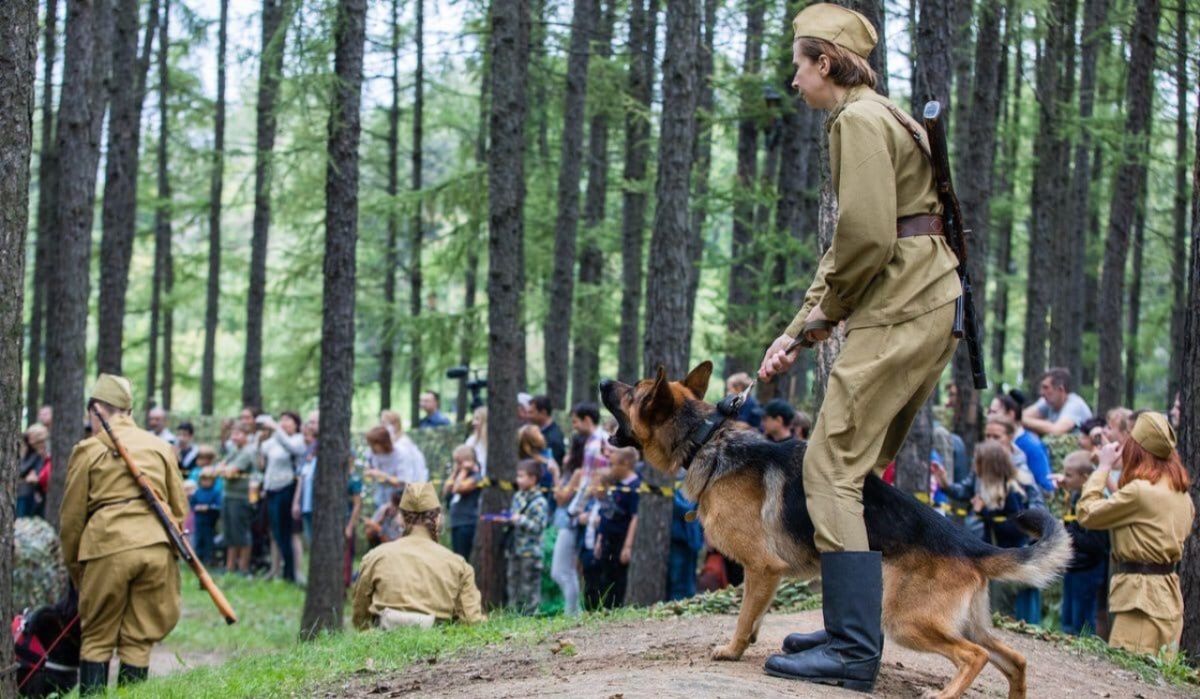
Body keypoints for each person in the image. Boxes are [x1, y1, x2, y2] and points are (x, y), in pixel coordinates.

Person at [757, 4, 961, 690]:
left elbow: (869, 240)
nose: (793, 79)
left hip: (904, 305)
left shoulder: (859, 121)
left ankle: (850, 650)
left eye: (798, 63)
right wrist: (799, 328)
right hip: (922, 302)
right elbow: (854, 240)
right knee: (851, 463)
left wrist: (825, 317)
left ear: (825, 62)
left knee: (829, 465)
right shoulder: (883, 116)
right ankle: (854, 626)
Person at [60, 374, 187, 693]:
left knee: (97, 639)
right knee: (138, 640)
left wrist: (76, 568)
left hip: (107, 549)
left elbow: (72, 520)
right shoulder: (161, 448)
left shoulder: (89, 450)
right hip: (155, 549)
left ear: (96, 410)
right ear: (128, 412)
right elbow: (179, 508)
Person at [1076, 413, 1193, 657]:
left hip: (1140, 599)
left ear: (1136, 451)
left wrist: (1104, 467)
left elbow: (1087, 513)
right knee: (1159, 684)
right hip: (1168, 598)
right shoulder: (1181, 495)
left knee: (1129, 677)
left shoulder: (1140, 492)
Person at [352, 482, 484, 630]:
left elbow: (360, 619)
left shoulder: (374, 557)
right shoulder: (458, 565)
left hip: (382, 643)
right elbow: (472, 622)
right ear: (438, 519)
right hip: (440, 647)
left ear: (401, 519)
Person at [1059, 451, 1109, 636]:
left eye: (1069, 475)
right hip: (1074, 567)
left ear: (1085, 477)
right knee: (1068, 622)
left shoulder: (1095, 502)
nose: (1065, 479)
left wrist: (1066, 531)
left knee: (1082, 624)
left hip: (1089, 570)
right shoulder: (1074, 497)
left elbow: (1096, 544)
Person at [259, 412, 306, 582]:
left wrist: (276, 428)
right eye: (282, 420)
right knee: (276, 532)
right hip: (271, 489)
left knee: (287, 532)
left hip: (287, 488)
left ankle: (292, 572)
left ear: (296, 424)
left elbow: (293, 448)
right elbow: (264, 451)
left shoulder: (298, 439)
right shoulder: (275, 439)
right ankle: (277, 569)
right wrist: (263, 434)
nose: (284, 423)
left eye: (288, 420)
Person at [596, 447, 641, 608]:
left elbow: (635, 516)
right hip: (607, 538)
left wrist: (627, 546)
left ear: (626, 464)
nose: (610, 469)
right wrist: (600, 539)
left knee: (618, 579)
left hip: (621, 539)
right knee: (604, 578)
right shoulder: (616, 484)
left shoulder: (635, 486)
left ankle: (616, 609)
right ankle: (603, 609)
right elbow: (606, 513)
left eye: (613, 465)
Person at [506, 459, 550, 614]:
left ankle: (530, 615)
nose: (518, 480)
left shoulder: (540, 502)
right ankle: (513, 614)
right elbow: (513, 517)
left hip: (531, 551)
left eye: (521, 476)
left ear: (533, 479)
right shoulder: (517, 496)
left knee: (529, 585)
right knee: (513, 581)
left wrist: (520, 520)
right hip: (515, 549)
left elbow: (538, 527)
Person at [219, 425, 257, 575]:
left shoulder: (248, 452)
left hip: (241, 497)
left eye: (239, 434)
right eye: (233, 434)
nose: (234, 437)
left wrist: (222, 470)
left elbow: (229, 472)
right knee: (229, 533)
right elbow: (220, 467)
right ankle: (230, 567)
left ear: (247, 435)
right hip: (228, 495)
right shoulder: (234, 450)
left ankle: (243, 567)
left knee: (241, 533)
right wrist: (222, 469)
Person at [1022, 368, 1093, 437]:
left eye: (1046, 388)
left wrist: (1021, 420)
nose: (1041, 392)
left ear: (1060, 389)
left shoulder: (1075, 405)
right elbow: (1023, 416)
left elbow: (1056, 430)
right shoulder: (1047, 401)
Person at [442, 444, 482, 559]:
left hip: (467, 522)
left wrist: (464, 471)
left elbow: (457, 488)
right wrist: (455, 473)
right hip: (457, 522)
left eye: (459, 462)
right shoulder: (457, 476)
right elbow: (446, 491)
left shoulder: (476, 477)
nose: (457, 465)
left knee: (463, 559)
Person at [669, 473, 704, 600]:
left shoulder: (688, 479)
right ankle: (675, 603)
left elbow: (688, 508)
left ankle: (685, 603)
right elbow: (686, 508)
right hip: (679, 538)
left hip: (689, 538)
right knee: (677, 578)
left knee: (687, 578)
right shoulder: (674, 480)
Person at [364, 425, 406, 509]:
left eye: (373, 444)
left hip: (397, 498)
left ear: (382, 443)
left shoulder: (399, 454)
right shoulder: (372, 453)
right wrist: (370, 473)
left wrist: (382, 475)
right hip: (379, 496)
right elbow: (367, 471)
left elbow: (402, 481)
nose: (372, 447)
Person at [190, 468, 222, 567]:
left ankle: (209, 559)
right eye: (204, 480)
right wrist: (196, 507)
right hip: (199, 520)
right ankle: (198, 559)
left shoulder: (215, 493)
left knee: (209, 541)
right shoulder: (198, 492)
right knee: (198, 539)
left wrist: (208, 508)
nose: (206, 482)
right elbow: (192, 503)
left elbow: (218, 506)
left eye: (208, 480)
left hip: (209, 521)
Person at [19, 424, 49, 518]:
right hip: (24, 493)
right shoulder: (29, 453)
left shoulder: (41, 455)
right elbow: (22, 470)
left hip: (35, 494)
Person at [530, 394, 567, 466]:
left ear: (543, 413)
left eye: (532, 412)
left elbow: (552, 465)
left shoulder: (553, 438)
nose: (529, 416)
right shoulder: (541, 432)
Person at [466, 406, 488, 475]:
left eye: (477, 419)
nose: (473, 423)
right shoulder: (471, 440)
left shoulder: (494, 442)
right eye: (473, 419)